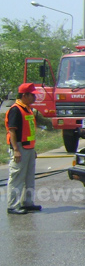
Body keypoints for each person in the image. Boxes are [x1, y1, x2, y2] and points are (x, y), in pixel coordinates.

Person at [5, 83, 42, 215]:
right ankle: (13, 205)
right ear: (24, 95)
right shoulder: (16, 110)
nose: (34, 98)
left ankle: (27, 203)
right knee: (17, 178)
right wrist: (16, 149)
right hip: (20, 147)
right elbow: (12, 131)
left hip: (29, 148)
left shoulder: (28, 109)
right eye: (32, 95)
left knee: (29, 178)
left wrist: (32, 149)